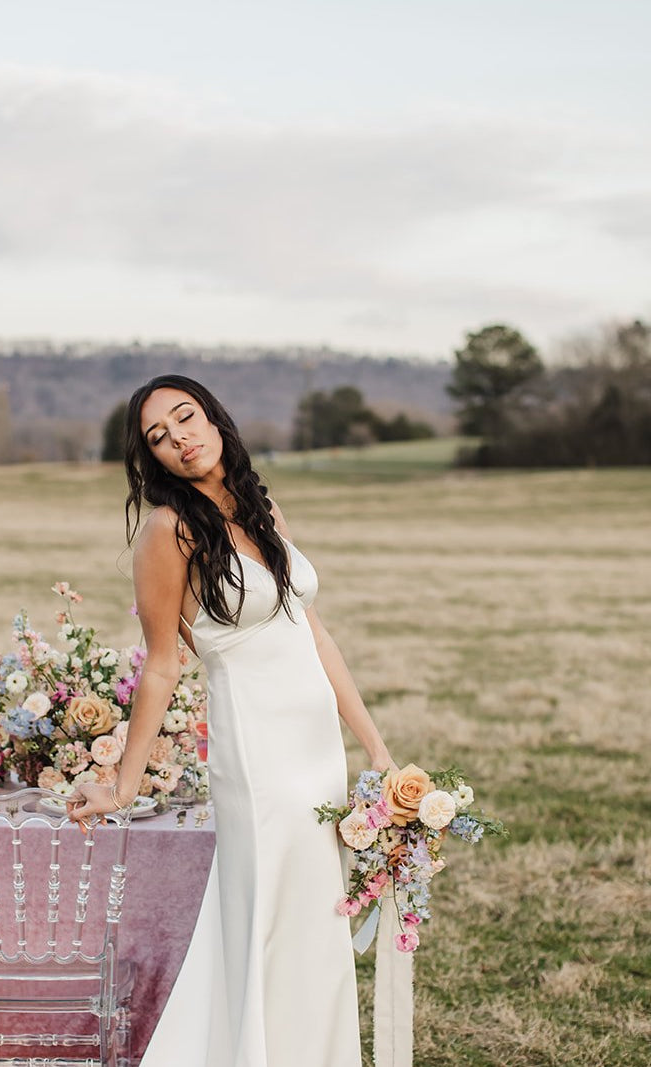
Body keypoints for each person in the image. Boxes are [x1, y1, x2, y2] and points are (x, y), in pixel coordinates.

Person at [66, 374, 395, 1067]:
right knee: (271, 918)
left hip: (315, 750)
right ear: (151, 459)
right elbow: (161, 664)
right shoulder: (167, 529)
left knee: (313, 921)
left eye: (185, 418)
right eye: (157, 437)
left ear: (213, 419)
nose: (177, 438)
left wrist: (376, 748)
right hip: (258, 755)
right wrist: (122, 786)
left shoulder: (260, 504)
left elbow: (314, 635)